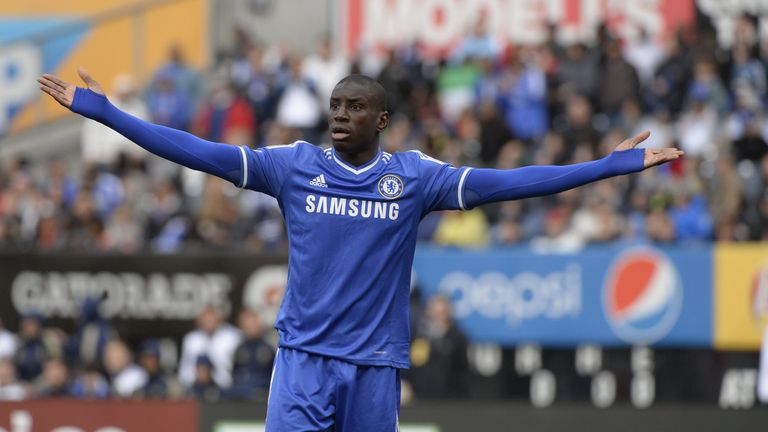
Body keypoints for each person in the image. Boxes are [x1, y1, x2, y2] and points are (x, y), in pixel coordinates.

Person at [38, 68, 682, 431]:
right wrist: (106, 113)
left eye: (355, 107)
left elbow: (511, 184)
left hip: (375, 368)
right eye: (335, 105)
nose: (340, 115)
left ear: (381, 121)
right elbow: (196, 152)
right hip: (303, 363)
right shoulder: (292, 166)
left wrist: (607, 166)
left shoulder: (416, 177)